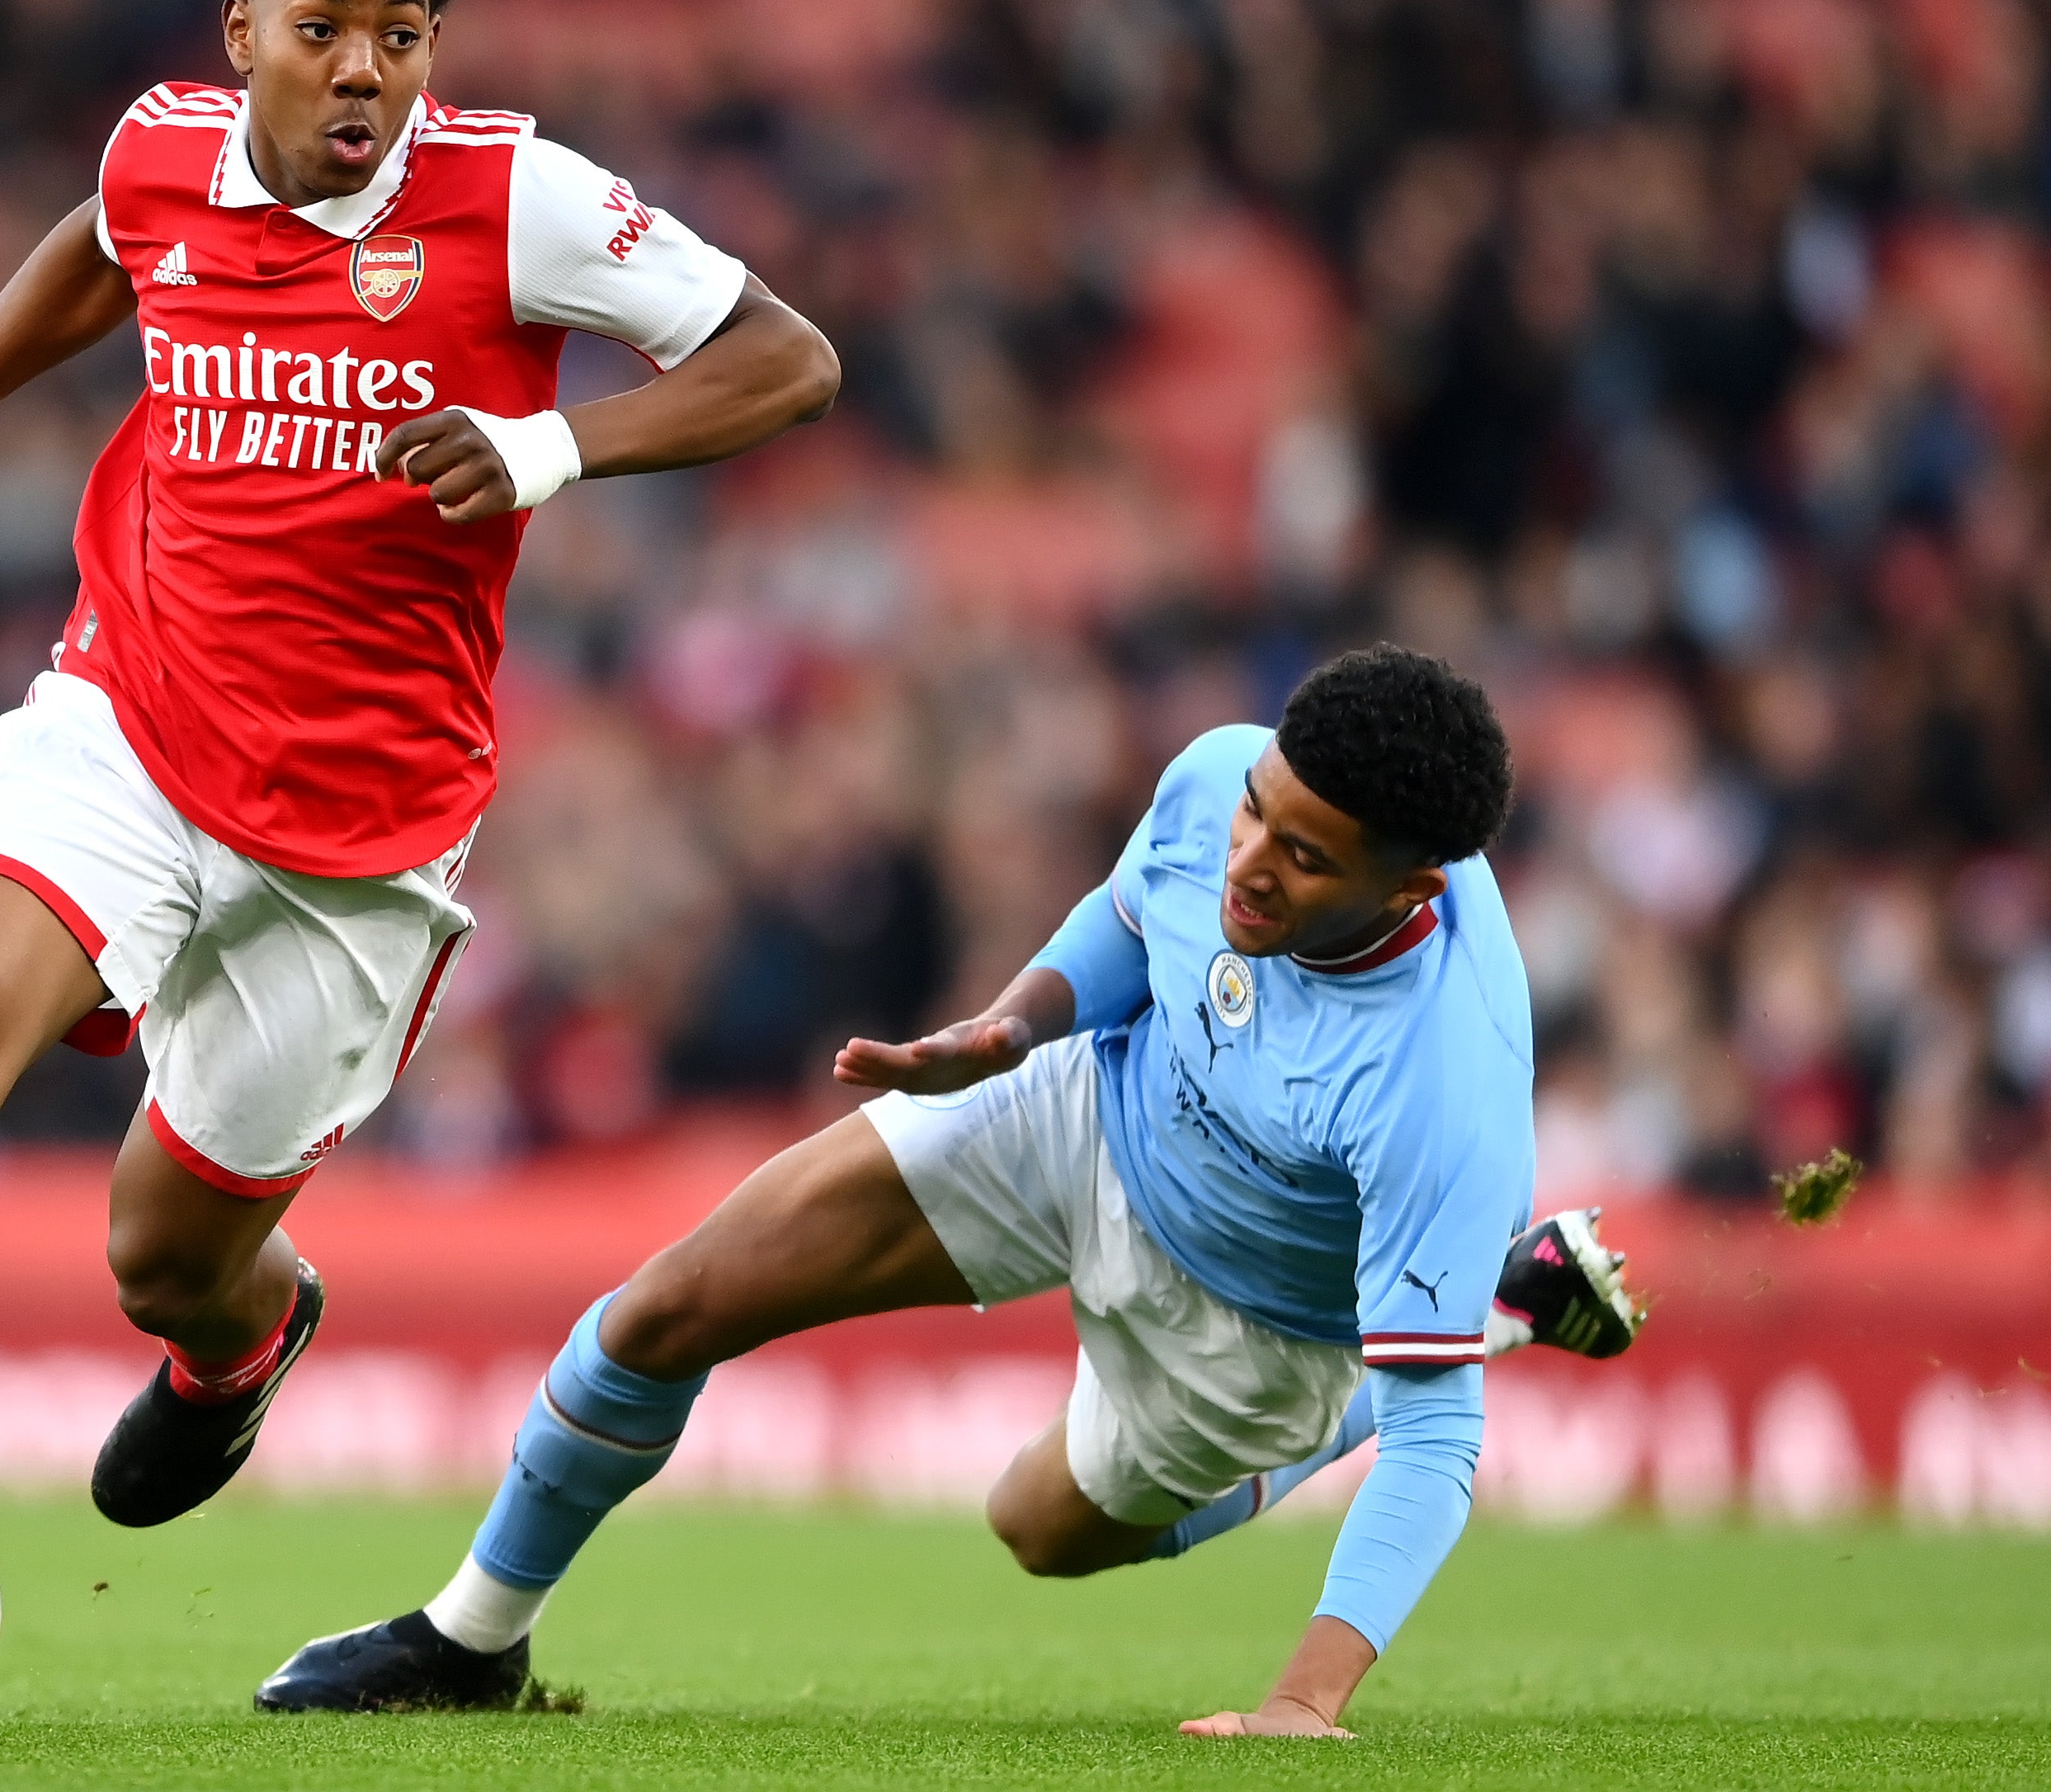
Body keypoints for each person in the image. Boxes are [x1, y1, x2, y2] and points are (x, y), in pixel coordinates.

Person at [0, 0, 840, 1705]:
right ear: (239, 25)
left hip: (364, 835)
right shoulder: (161, 145)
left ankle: (238, 1350)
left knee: (167, 1255)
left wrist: (549, 453)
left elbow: (790, 357)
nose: (363, 69)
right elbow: (102, 252)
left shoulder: (520, 200)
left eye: (401, 36)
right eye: (324, 25)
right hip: (130, 717)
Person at [257, 645, 1643, 1736]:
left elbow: (1438, 1440)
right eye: (1258, 813)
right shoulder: (1227, 774)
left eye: (1303, 856)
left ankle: (1501, 1305)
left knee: (1035, 1527)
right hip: (1097, 1102)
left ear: (1416, 884)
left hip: (1258, 1317)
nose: (1249, 859)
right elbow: (1133, 907)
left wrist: (1303, 1701)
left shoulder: (1443, 1080)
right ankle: (470, 1638)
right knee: (673, 1302)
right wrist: (1012, 1025)